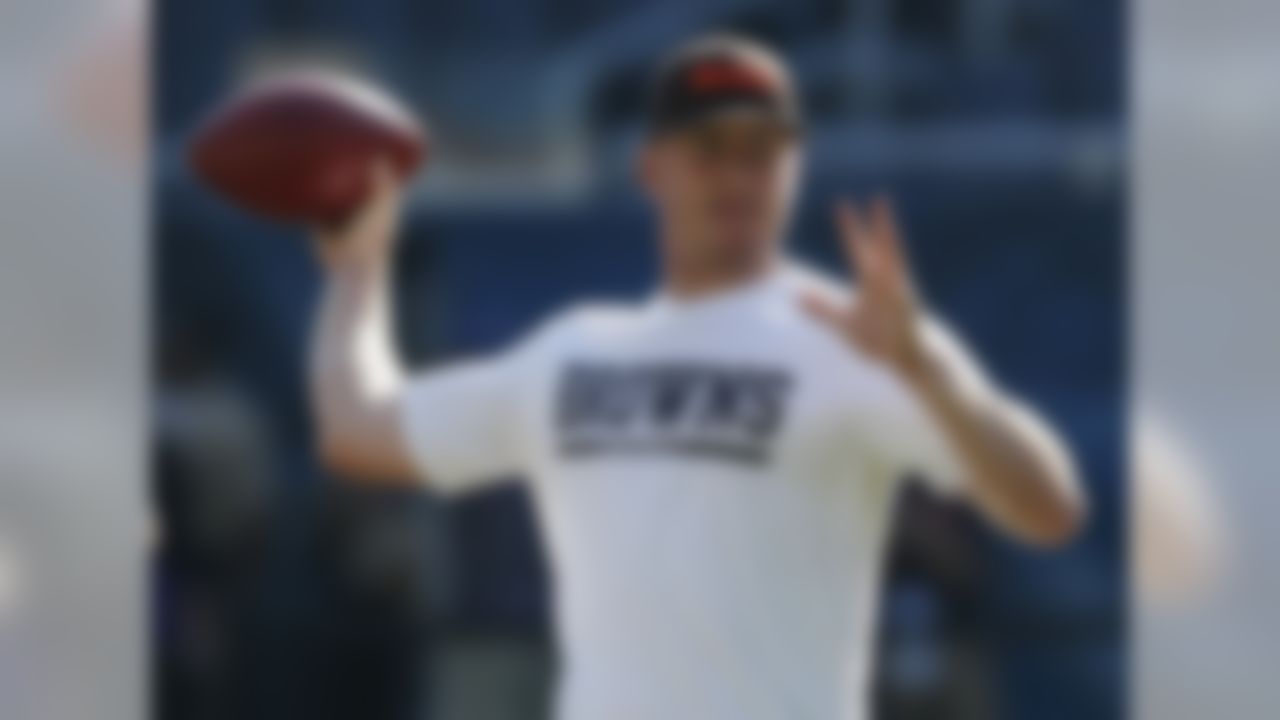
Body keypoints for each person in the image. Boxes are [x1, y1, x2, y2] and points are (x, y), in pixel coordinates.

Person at [307, 33, 1086, 720]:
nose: (735, 174)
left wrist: (930, 374)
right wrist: (357, 272)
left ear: (796, 167)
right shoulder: (575, 352)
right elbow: (356, 428)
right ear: (651, 168)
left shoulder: (860, 339)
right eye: (707, 148)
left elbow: (1048, 510)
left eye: (760, 150)